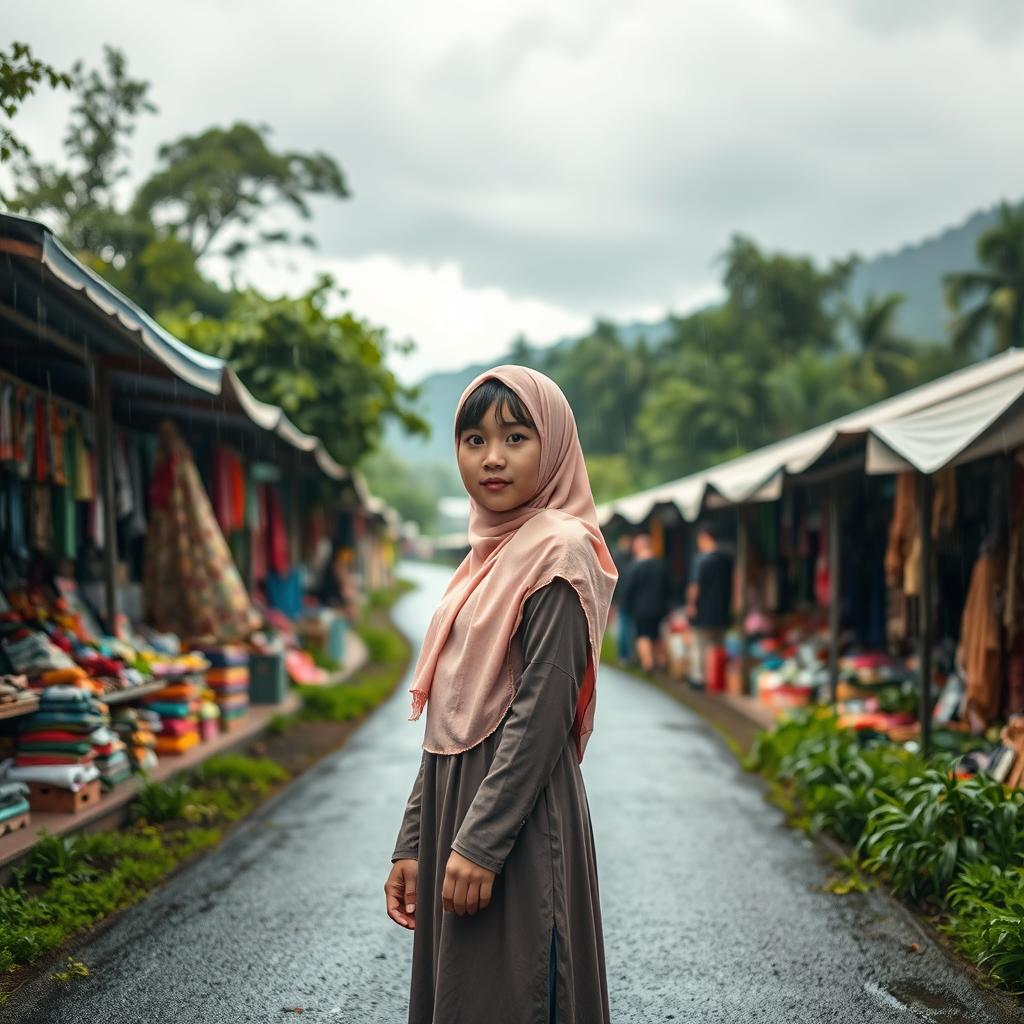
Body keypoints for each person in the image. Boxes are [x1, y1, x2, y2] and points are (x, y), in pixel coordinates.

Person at [385, 366, 617, 1024]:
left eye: (516, 437)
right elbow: (454, 716)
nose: (491, 458)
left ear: (554, 446)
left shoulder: (559, 554)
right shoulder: (484, 558)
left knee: (513, 995)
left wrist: (481, 843)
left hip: (518, 817)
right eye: (473, 439)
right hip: (458, 813)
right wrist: (413, 839)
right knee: (465, 995)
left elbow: (539, 718)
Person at [685, 522, 734, 689]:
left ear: (705, 538)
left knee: (700, 646)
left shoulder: (701, 560)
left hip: (703, 610)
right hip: (722, 609)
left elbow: (695, 586)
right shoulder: (727, 559)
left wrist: (691, 604)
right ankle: (719, 679)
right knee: (719, 646)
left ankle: (700, 679)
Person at [620, 533, 672, 672]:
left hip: (641, 608)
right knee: (656, 635)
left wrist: (627, 607)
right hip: (660, 607)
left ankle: (647, 664)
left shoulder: (635, 567)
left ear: (638, 547)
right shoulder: (661, 564)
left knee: (643, 635)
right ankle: (661, 662)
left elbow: (628, 589)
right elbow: (668, 586)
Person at [610, 532, 635, 663]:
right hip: (624, 597)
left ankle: (625, 655)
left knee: (625, 626)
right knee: (625, 626)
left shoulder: (620, 558)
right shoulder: (626, 558)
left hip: (624, 596)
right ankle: (625, 655)